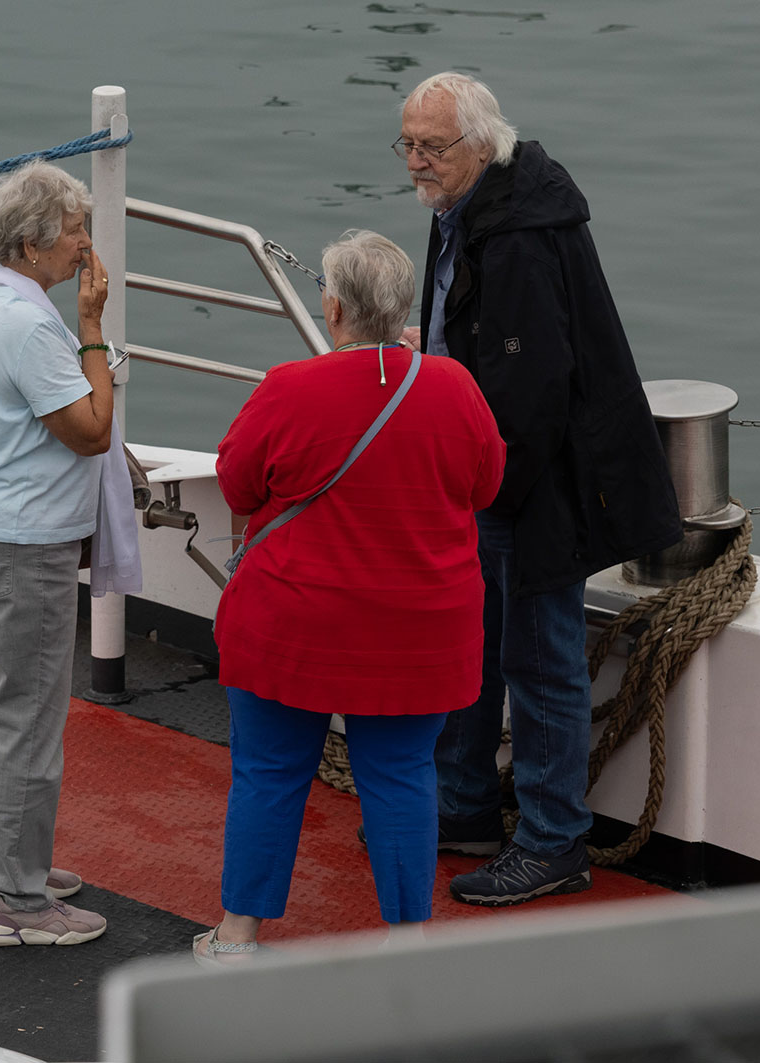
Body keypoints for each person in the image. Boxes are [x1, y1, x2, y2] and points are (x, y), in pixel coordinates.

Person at [394, 73, 682, 906]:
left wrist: (485, 485)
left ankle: (553, 841)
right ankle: (463, 807)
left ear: (479, 143)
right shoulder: (466, 203)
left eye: (431, 147)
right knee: (472, 644)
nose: (415, 161)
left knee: (538, 659)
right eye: (406, 144)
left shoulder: (515, 235)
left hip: (532, 482)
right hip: (493, 471)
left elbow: (534, 386)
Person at [195, 230, 506, 964]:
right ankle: (407, 942)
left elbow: (237, 484)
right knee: (402, 777)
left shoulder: (288, 387)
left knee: (270, 773)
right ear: (404, 311)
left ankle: (237, 936)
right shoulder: (454, 386)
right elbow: (486, 486)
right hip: (418, 631)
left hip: (292, 624)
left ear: (333, 309)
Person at [0, 159, 135, 945]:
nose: (85, 243)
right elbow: (91, 431)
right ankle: (14, 901)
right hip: (17, 543)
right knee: (28, 715)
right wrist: (92, 330)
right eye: (75, 230)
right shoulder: (31, 325)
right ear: (33, 244)